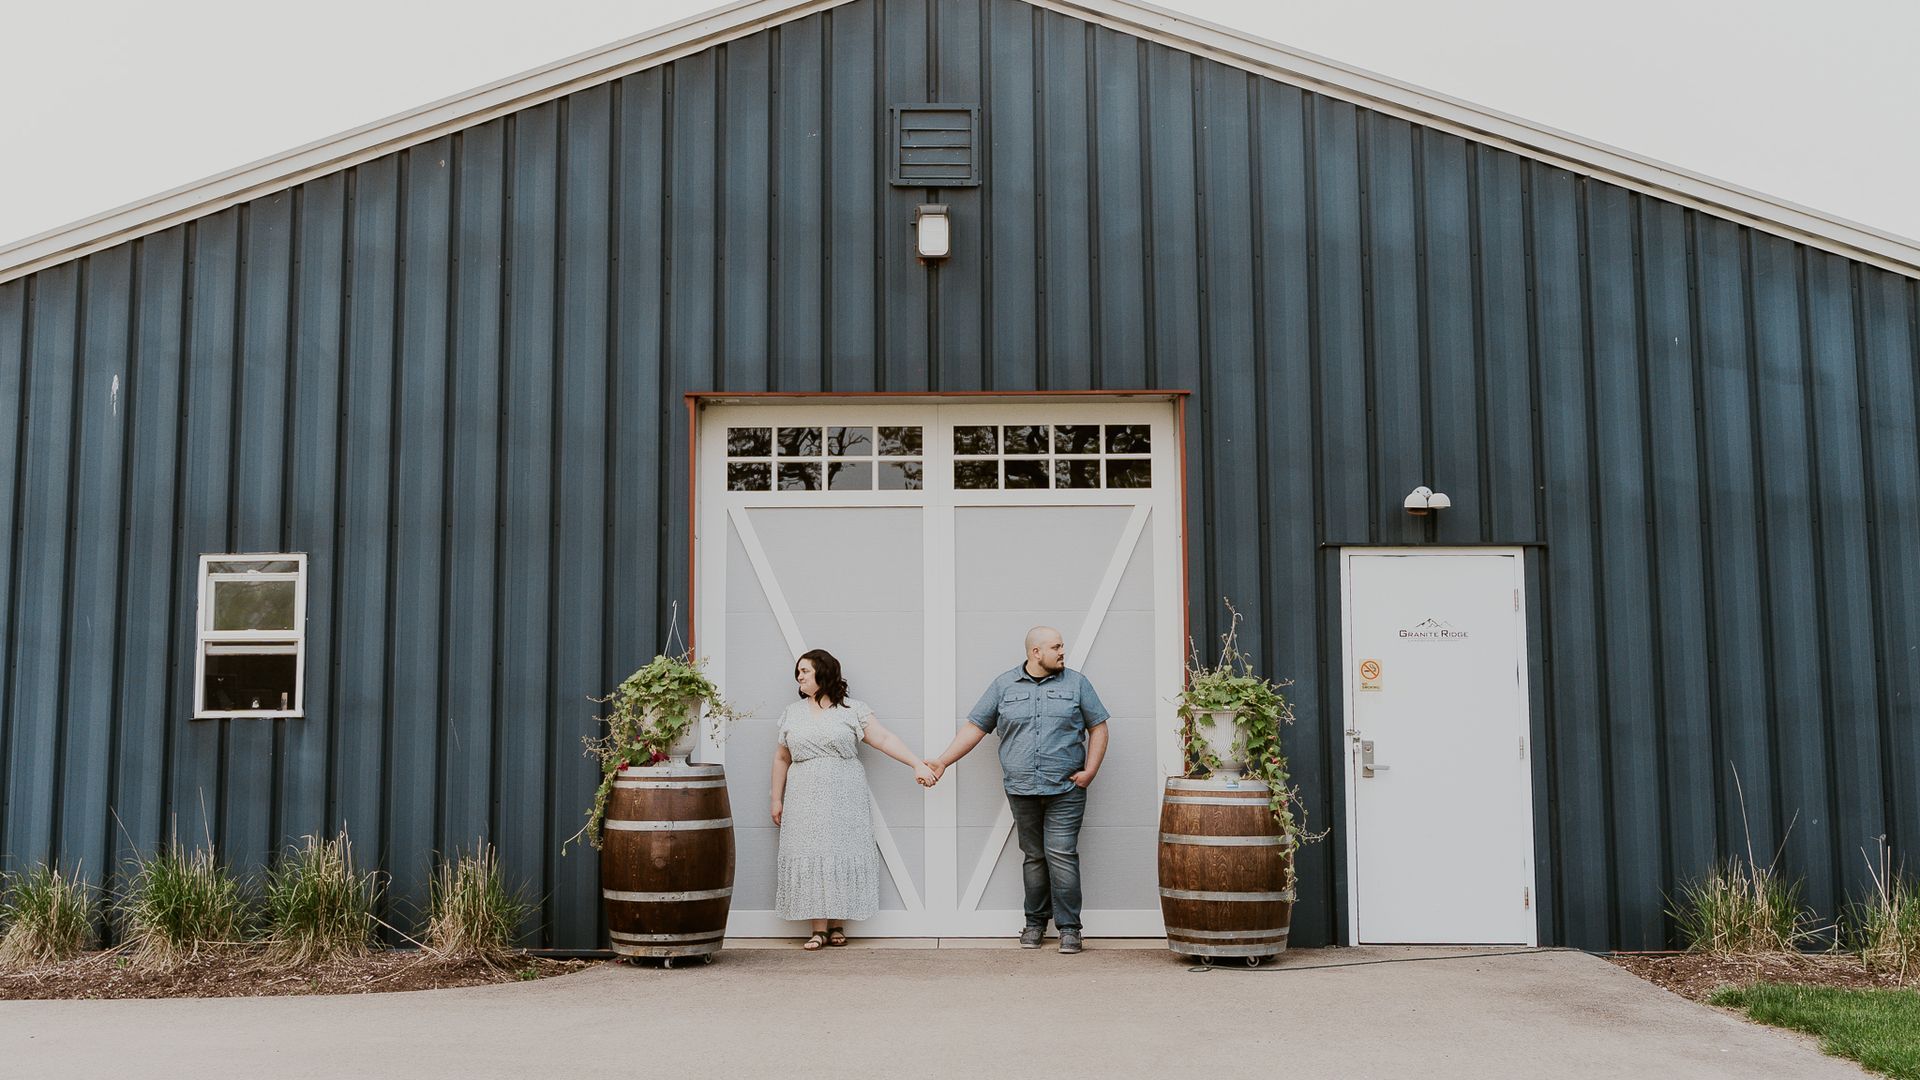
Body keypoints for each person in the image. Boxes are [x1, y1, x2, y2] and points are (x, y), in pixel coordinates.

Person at [926, 626, 1109, 954]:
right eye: (1056, 647)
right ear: (1035, 653)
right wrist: (943, 761)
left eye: (1062, 646)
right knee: (1034, 856)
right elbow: (975, 727)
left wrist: (1090, 771)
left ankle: (1070, 929)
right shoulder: (1004, 685)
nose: (1062, 652)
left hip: (1066, 788)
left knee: (1061, 854)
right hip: (1021, 788)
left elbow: (1098, 727)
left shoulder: (1077, 684)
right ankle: (1035, 923)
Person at [771, 648, 938, 950]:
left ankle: (838, 924)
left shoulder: (852, 710)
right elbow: (782, 757)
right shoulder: (791, 713)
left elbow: (885, 739)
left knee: (840, 850)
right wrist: (776, 799)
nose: (799, 676)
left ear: (823, 672)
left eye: (805, 671)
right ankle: (818, 928)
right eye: (798, 672)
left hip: (844, 792)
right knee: (811, 851)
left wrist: (917, 763)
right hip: (803, 794)